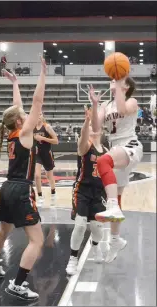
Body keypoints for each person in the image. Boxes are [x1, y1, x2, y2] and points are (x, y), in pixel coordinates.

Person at [0, 56, 47, 300]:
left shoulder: (11, 132)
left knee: (3, 231)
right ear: (21, 121)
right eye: (23, 115)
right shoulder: (25, 132)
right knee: (36, 240)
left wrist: (15, 83)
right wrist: (42, 73)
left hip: (7, 187)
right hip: (21, 190)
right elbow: (36, 101)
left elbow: (16, 108)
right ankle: (18, 284)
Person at [89, 77, 143, 263]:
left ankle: (110, 205)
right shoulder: (106, 104)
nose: (113, 80)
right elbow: (96, 128)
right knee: (117, 198)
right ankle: (115, 240)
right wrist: (95, 105)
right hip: (115, 148)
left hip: (130, 145)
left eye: (118, 79)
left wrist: (119, 87)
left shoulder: (131, 100)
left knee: (103, 162)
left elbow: (122, 110)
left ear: (126, 86)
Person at [66, 106, 108, 275]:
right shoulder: (84, 146)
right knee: (80, 224)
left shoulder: (106, 151)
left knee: (97, 227)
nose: (93, 129)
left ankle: (96, 246)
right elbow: (83, 138)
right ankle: (73, 258)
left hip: (99, 192)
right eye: (91, 127)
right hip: (82, 189)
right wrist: (87, 120)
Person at [34, 113, 58, 206]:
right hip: (37, 154)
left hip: (47, 154)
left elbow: (56, 141)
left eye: (40, 114)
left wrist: (42, 138)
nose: (38, 115)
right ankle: (40, 196)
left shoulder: (47, 127)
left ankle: (53, 192)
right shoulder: (32, 127)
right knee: (36, 175)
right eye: (37, 114)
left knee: (49, 176)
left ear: (42, 115)